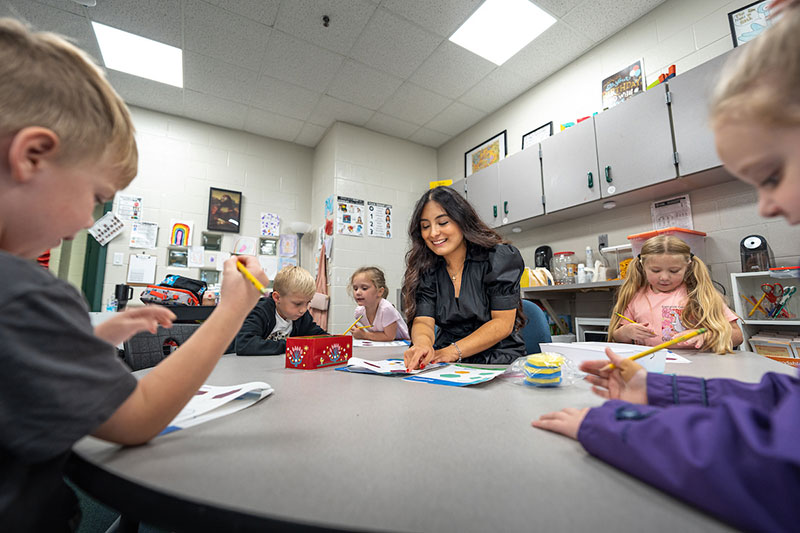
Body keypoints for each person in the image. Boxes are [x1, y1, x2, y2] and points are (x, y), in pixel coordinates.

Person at [533, 2, 800, 530]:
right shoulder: (635, 296)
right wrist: (656, 389)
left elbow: (773, 470)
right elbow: (782, 399)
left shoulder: (704, 295)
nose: (767, 207)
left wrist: (614, 427)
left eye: (771, 174)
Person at [0, 18, 269, 531]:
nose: (87, 220)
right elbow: (137, 418)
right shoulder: (23, 289)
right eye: (97, 197)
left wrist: (89, 334)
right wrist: (233, 307)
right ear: (32, 156)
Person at [402, 186, 526, 369]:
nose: (433, 233)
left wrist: (451, 352)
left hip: (498, 360)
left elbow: (502, 323)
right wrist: (423, 344)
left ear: (462, 221)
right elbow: (423, 320)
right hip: (446, 362)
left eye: (442, 223)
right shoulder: (427, 269)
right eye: (425, 226)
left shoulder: (499, 258)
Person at [607, 235, 743, 353]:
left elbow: (737, 336)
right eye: (655, 270)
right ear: (643, 266)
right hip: (652, 365)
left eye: (674, 271)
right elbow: (617, 336)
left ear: (687, 266)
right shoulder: (636, 297)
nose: (664, 277)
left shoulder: (701, 294)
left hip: (697, 366)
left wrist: (707, 336)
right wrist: (626, 332)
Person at [235, 265, 327, 355]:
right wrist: (291, 345)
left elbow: (319, 336)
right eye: (297, 304)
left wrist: (333, 340)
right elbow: (244, 344)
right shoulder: (260, 311)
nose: (303, 310)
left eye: (307, 303)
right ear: (277, 297)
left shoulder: (301, 316)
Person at [349, 266, 410, 341]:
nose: (358, 292)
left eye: (364, 288)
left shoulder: (386, 309)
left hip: (405, 345)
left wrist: (364, 335)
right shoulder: (359, 313)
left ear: (380, 292)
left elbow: (389, 337)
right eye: (355, 288)